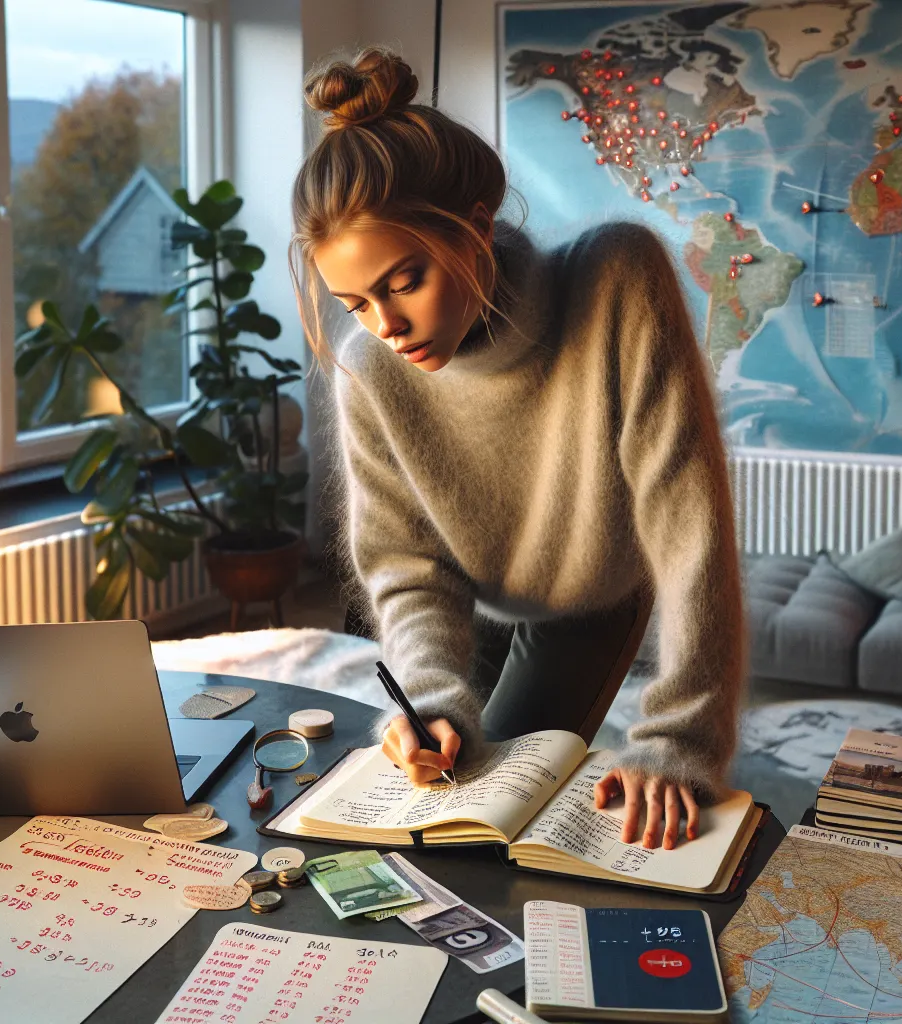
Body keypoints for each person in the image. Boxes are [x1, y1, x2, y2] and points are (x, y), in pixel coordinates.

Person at [290, 47, 745, 850]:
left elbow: (689, 528)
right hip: (470, 594)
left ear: (474, 226)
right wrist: (429, 698)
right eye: (355, 302)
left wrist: (680, 736)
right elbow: (404, 563)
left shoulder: (616, 278)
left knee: (487, 828)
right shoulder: (369, 368)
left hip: (588, 598)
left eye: (404, 281)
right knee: (437, 786)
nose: (386, 326)